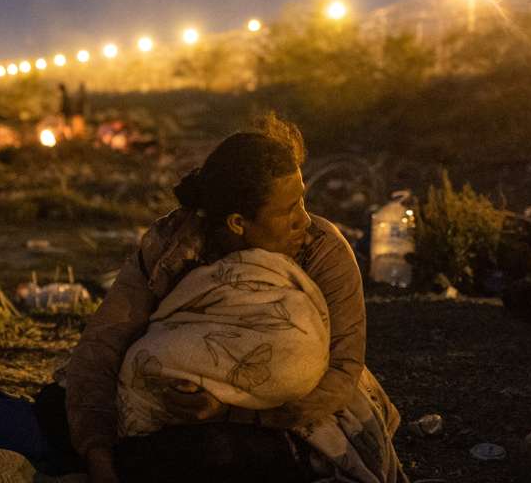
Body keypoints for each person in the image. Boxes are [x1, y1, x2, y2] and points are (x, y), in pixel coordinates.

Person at [64, 115, 402, 483]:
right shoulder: (172, 249)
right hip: (174, 409)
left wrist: (230, 412)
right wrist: (98, 456)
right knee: (65, 405)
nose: (303, 220)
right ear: (238, 222)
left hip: (287, 414)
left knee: (218, 451)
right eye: (287, 210)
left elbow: (342, 372)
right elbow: (103, 345)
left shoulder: (322, 250)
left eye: (302, 201)